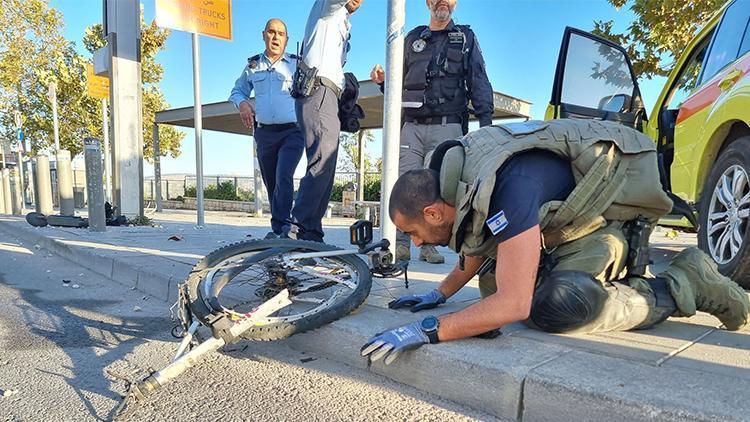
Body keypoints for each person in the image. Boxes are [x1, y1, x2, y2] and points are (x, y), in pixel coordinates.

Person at [360, 119, 750, 365]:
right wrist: (440, 294)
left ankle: (684, 282)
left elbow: (513, 304)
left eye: (411, 232)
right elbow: (480, 239)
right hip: (566, 230)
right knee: (493, 285)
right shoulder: (461, 176)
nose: (412, 240)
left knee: (558, 305)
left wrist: (428, 329)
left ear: (432, 213)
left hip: (606, 230)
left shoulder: (507, 187)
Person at [370, 0, 493, 264]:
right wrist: (383, 82)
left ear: (456, 3)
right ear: (427, 2)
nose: (442, 2)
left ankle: (429, 244)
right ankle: (398, 242)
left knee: (437, 189)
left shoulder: (465, 38)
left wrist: (486, 126)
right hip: (411, 126)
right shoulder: (412, 38)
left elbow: (479, 80)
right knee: (400, 183)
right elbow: (397, 83)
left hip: (447, 125)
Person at [283, 0, 364, 242]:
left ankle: (312, 234)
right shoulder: (327, 8)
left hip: (328, 96)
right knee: (321, 161)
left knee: (326, 167)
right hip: (318, 90)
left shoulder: (342, 19)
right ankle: (296, 231)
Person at [229, 18, 304, 239]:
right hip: (264, 133)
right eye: (271, 32)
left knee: (284, 175)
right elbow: (238, 91)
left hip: (293, 132)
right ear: (264, 35)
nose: (275, 37)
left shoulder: (297, 64)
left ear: (287, 40)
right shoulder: (253, 66)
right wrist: (243, 104)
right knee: (271, 181)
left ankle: (284, 226)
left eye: (281, 34)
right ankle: (279, 227)